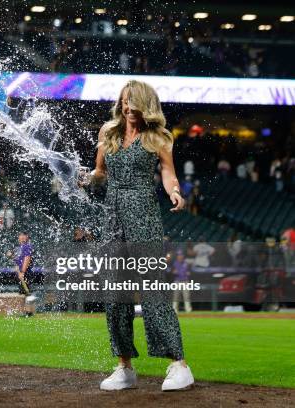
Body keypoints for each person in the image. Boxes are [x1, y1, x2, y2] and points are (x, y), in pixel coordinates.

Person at [84, 80, 194, 391]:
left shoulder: (157, 138)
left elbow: (168, 171)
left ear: (145, 104)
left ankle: (179, 364)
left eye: (133, 102)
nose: (127, 107)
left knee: (153, 292)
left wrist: (174, 190)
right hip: (113, 217)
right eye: (124, 101)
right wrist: (87, 178)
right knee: (115, 295)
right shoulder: (109, 133)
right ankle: (124, 367)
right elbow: (100, 171)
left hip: (144, 215)